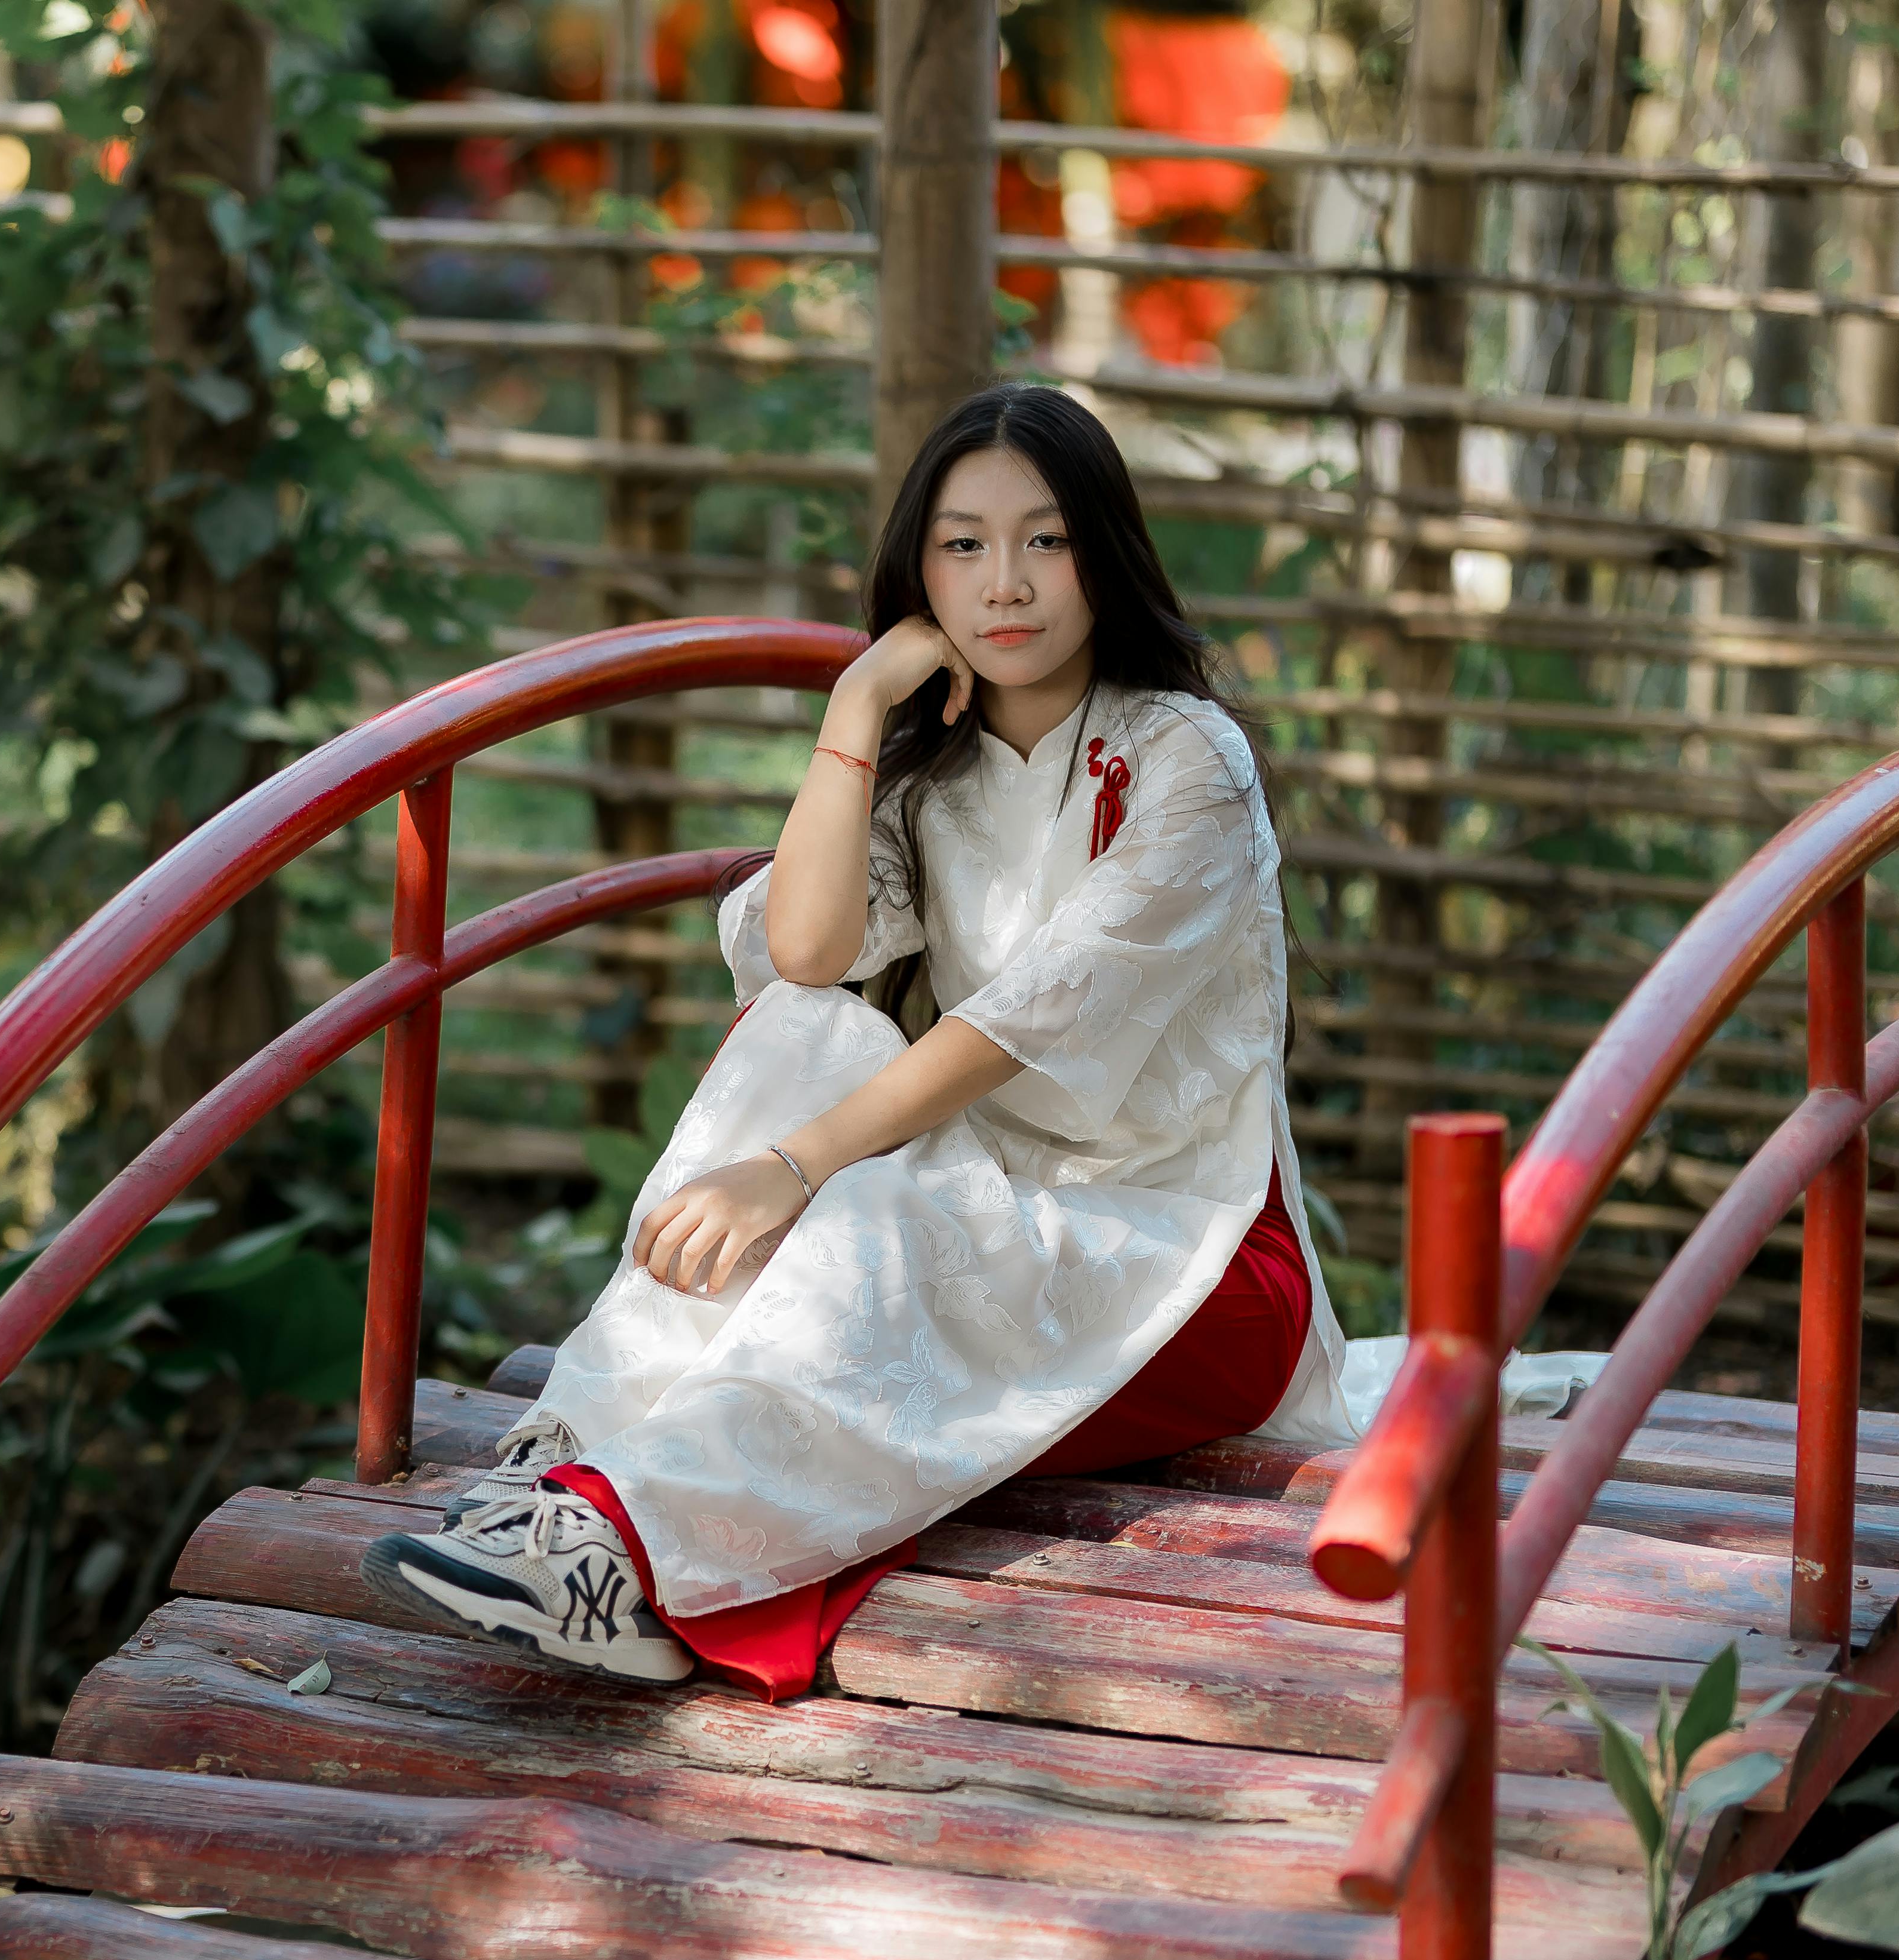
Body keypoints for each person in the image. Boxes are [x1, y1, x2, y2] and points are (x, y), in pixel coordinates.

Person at [361, 382, 1354, 1701]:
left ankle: (634, 1554)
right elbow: (807, 953)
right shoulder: (933, 758)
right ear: (917, 573)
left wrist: (796, 1167)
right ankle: (573, 1472)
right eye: (963, 546)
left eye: (1046, 540)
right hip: (997, 1209)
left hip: (1195, 1260)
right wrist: (855, 707)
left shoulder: (1188, 763)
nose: (1007, 584)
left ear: (1104, 552)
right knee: (806, 1033)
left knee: (862, 1214)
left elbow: (1024, 1021)